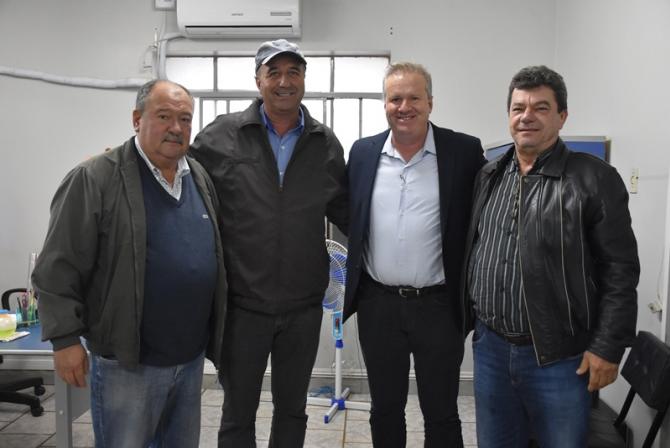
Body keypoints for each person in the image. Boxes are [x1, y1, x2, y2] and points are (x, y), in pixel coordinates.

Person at [32, 79, 228, 448]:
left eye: (185, 119)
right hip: (127, 364)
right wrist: (64, 340)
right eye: (164, 116)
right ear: (137, 119)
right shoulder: (95, 177)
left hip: (189, 360)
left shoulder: (198, 177)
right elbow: (57, 265)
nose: (176, 127)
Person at [462, 65, 640, 447]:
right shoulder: (489, 175)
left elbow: (620, 271)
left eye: (540, 108)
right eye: (518, 108)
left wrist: (607, 347)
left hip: (560, 359)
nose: (527, 116)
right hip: (491, 349)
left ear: (562, 117)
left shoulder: (594, 179)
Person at [189, 39, 347, 447]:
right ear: (258, 80)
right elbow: (180, 180)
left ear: (304, 79)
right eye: (273, 72)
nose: (284, 82)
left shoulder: (325, 144)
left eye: (293, 72)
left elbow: (348, 213)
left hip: (302, 309)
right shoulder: (222, 135)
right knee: (237, 413)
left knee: (292, 411)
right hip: (243, 308)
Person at [343, 62, 486, 448]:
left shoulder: (463, 151)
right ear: (385, 104)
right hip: (378, 305)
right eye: (395, 99)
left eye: (414, 98)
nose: (404, 107)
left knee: (441, 411)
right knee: (385, 409)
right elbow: (347, 212)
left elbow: (483, 216)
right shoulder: (363, 152)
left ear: (430, 103)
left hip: (438, 306)